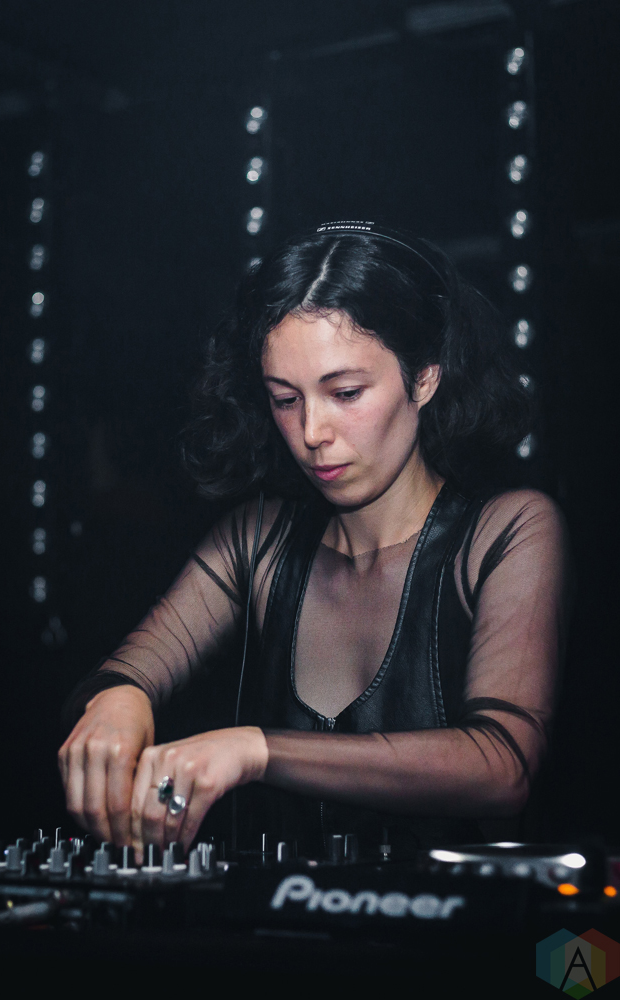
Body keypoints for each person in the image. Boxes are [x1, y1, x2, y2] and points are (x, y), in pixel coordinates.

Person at [58, 222, 567, 863]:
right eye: (285, 399)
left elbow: (503, 766)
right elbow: (125, 671)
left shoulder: (510, 530)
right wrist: (117, 700)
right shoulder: (257, 540)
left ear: (425, 378)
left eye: (345, 393)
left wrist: (254, 750)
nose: (311, 432)